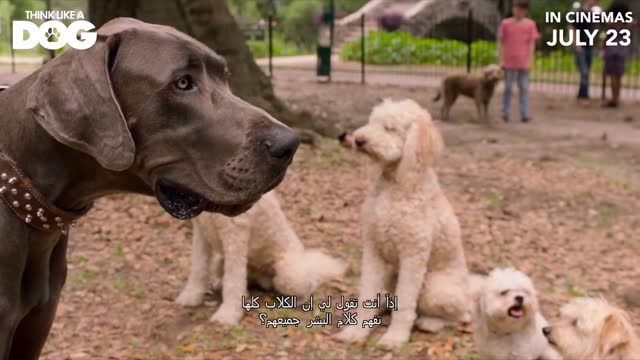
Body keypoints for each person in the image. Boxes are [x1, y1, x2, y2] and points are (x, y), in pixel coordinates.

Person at [498, 0, 540, 123]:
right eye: (515, 8)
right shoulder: (506, 23)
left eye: (520, 9)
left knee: (524, 88)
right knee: (508, 88)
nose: (517, 11)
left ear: (525, 11)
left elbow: (532, 44)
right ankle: (505, 112)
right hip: (509, 61)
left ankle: (524, 113)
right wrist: (501, 59)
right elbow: (501, 42)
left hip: (523, 61)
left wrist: (529, 61)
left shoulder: (530, 24)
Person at [602, 2, 631, 108]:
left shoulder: (612, 23)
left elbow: (609, 35)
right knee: (619, 75)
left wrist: (604, 46)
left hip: (612, 49)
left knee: (613, 75)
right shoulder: (626, 23)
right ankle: (617, 97)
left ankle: (614, 98)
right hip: (622, 50)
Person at [572, 0, 599, 103]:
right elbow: (573, 29)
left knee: (586, 71)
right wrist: (576, 44)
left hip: (590, 46)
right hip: (581, 46)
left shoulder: (594, 15)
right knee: (584, 71)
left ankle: (581, 94)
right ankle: (584, 95)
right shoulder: (579, 14)